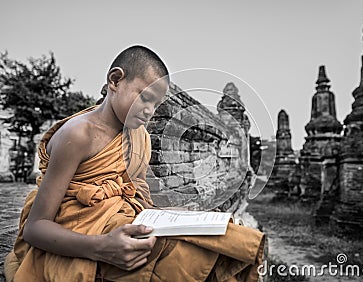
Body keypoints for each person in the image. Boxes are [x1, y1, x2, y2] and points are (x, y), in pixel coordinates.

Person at [4, 45, 265, 282]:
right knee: (189, 253)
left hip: (123, 218)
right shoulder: (79, 134)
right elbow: (35, 228)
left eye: (157, 104)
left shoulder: (139, 136)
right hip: (80, 227)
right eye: (145, 97)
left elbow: (140, 196)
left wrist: (176, 216)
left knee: (226, 238)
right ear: (115, 80)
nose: (150, 111)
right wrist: (101, 248)